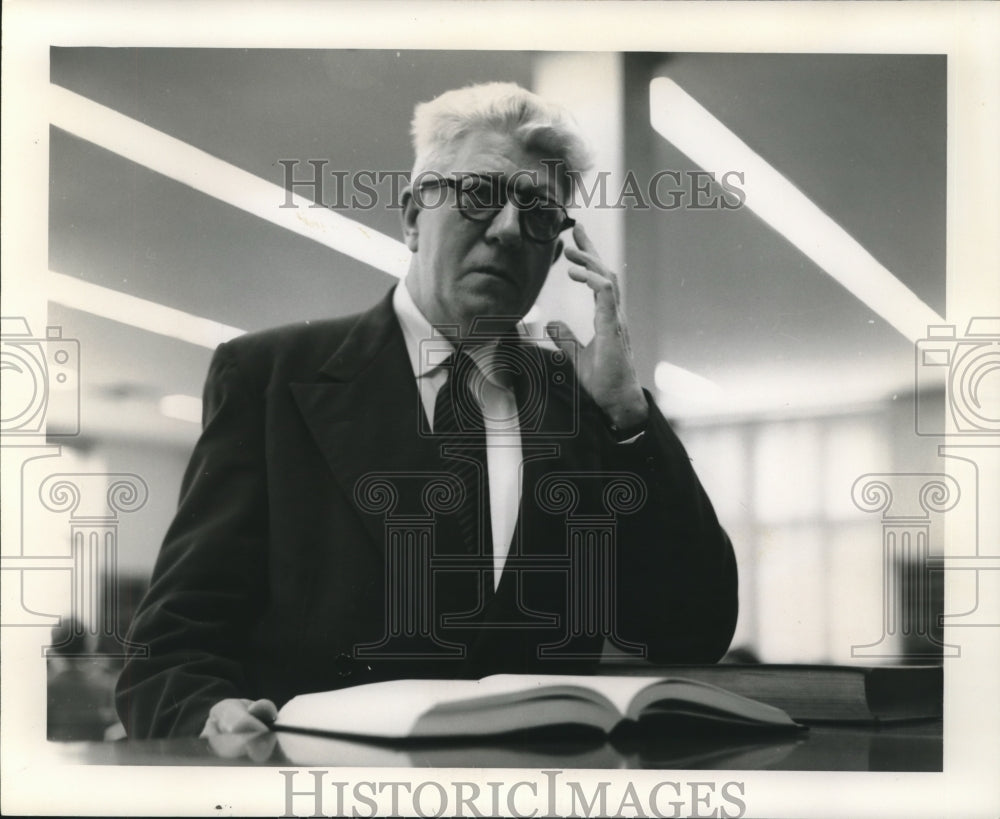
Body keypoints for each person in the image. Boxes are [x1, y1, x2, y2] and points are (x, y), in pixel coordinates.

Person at [116, 82, 738, 739]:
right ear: (413, 216)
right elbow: (171, 648)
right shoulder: (271, 379)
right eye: (479, 194)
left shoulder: (585, 407)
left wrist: (628, 416)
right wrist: (209, 714)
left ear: (555, 250)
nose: (505, 229)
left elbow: (690, 630)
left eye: (536, 212)